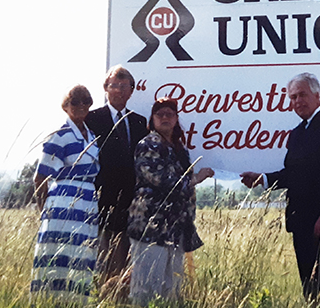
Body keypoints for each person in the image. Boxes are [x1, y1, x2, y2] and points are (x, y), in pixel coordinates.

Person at [240, 73, 320, 303]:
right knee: (310, 289)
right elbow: (294, 175)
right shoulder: (297, 133)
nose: (297, 101)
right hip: (300, 222)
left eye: (302, 95)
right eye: (292, 97)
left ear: (318, 96)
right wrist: (263, 179)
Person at [126, 97, 214, 304]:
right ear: (152, 119)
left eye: (170, 114)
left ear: (176, 119)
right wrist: (196, 178)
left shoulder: (179, 149)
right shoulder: (148, 144)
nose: (165, 117)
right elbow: (163, 182)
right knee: (146, 289)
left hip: (175, 229)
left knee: (171, 291)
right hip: (150, 228)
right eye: (160, 114)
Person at [31, 85, 100, 304]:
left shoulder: (91, 135)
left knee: (81, 254)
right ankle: (52, 301)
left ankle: (76, 302)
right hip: (63, 200)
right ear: (66, 106)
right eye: (75, 102)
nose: (80, 106)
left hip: (87, 200)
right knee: (58, 254)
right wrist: (45, 210)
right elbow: (40, 177)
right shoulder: (59, 136)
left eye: (85, 102)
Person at [85, 65, 148, 283]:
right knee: (105, 262)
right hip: (102, 202)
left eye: (124, 86)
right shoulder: (91, 120)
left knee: (129, 266)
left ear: (132, 90)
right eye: (114, 85)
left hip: (132, 205)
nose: (119, 90)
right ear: (105, 89)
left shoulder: (140, 122)